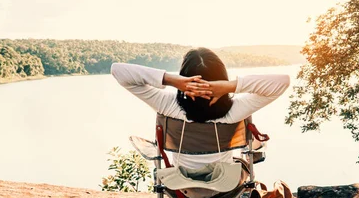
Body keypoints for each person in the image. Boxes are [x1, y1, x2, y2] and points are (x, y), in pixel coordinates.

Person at [111, 47, 290, 169]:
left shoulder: (168, 105)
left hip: (183, 186)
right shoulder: (236, 111)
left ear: (184, 77)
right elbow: (282, 82)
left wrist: (171, 80)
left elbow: (118, 71)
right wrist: (230, 86)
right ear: (221, 77)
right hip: (225, 185)